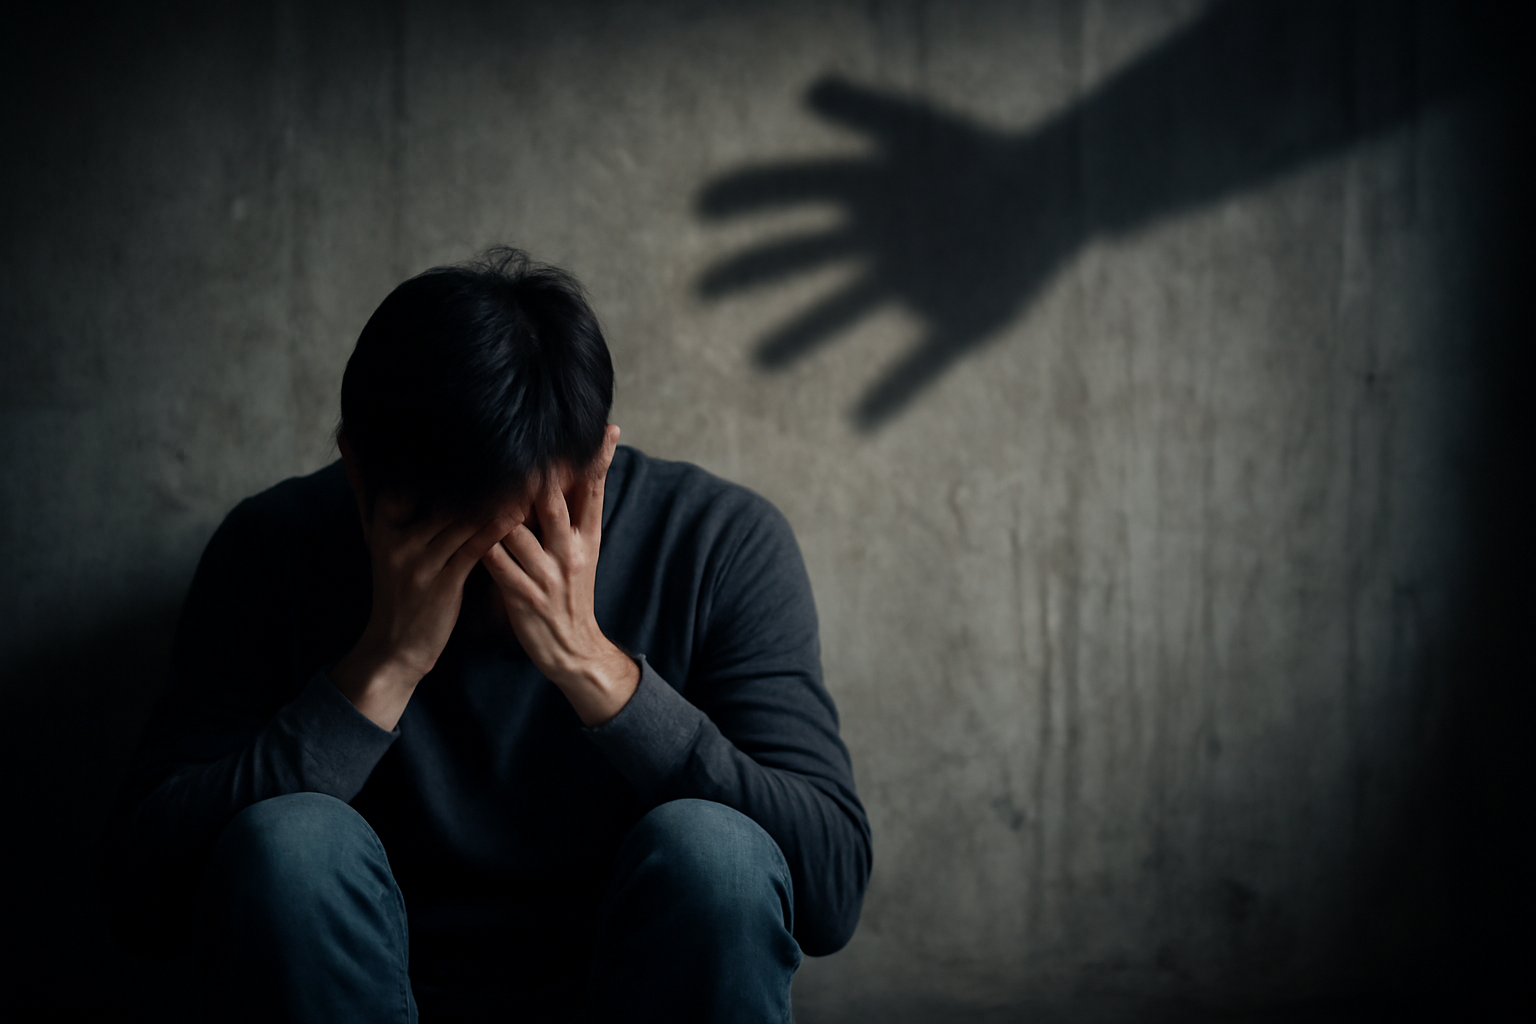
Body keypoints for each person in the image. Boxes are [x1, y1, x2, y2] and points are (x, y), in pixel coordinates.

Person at [100, 248, 871, 1023]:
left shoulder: (718, 542)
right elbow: (144, 902)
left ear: (596, 461)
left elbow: (830, 893)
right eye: (451, 546)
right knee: (289, 846)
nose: (503, 584)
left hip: (628, 993)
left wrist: (601, 676)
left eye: (534, 531)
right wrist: (380, 669)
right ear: (359, 477)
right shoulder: (273, 548)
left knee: (721, 856)